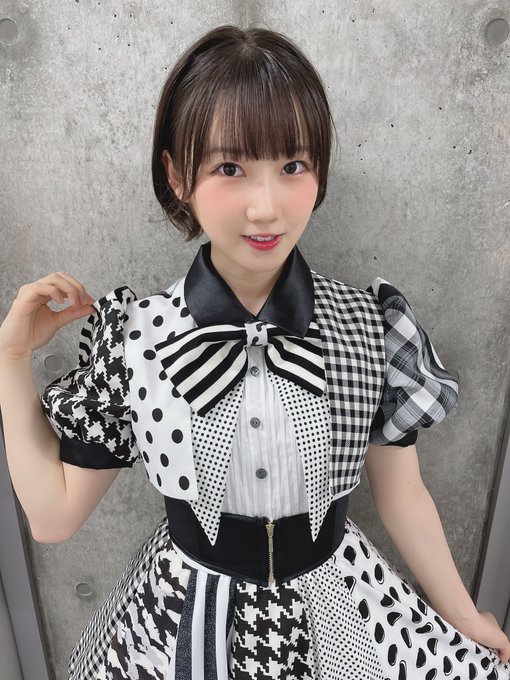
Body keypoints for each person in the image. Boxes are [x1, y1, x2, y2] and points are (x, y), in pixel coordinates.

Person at [0, 24, 509, 680]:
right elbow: (52, 518)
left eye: (292, 166)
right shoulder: (137, 337)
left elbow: (403, 496)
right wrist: (11, 360)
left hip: (338, 614)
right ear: (177, 176)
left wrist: (464, 615)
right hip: (181, 623)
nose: (266, 207)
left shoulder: (368, 326)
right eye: (230, 168)